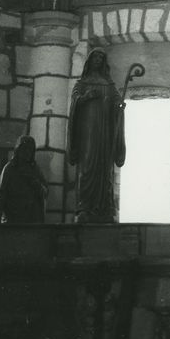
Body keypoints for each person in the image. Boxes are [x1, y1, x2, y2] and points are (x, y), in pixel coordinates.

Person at [67, 48, 126, 223]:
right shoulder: (82, 84)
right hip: (87, 134)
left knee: (104, 169)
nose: (98, 60)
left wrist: (119, 107)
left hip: (104, 134)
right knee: (86, 167)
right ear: (90, 60)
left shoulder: (109, 85)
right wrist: (85, 98)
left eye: (102, 57)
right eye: (96, 57)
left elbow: (117, 102)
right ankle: (84, 207)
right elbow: (75, 103)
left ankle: (105, 208)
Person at [0, 135, 47, 223]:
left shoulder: (35, 169)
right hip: (12, 218)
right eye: (25, 149)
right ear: (18, 150)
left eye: (30, 149)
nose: (27, 152)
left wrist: (36, 184)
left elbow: (45, 191)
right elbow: (0, 193)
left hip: (31, 219)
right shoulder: (10, 168)